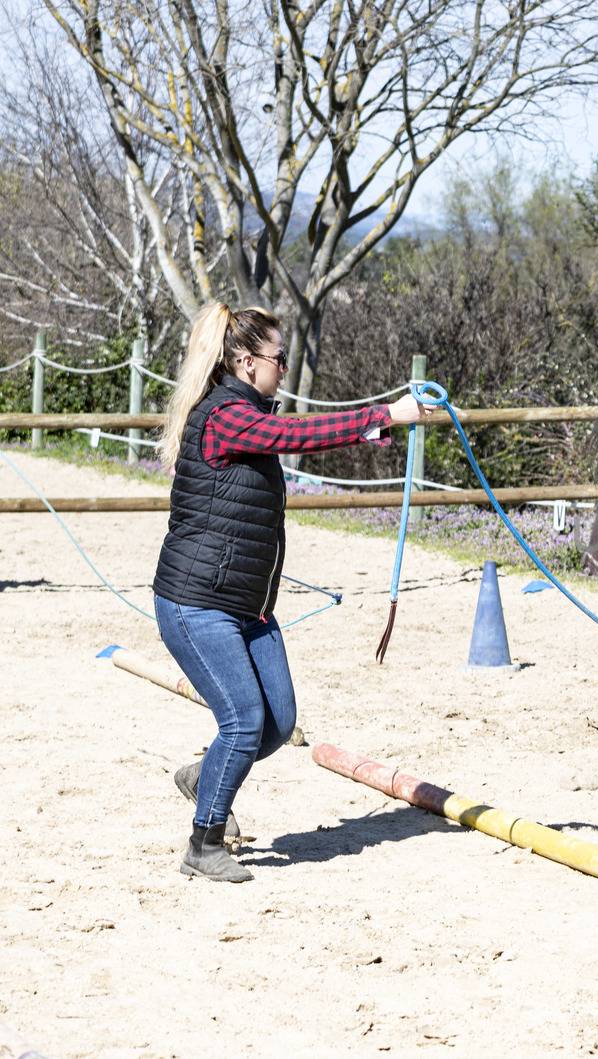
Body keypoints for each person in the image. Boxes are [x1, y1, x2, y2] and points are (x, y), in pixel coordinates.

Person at [152, 302, 433, 882]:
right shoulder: (224, 416)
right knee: (243, 720)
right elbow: (295, 433)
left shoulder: (247, 410)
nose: (285, 367)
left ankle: (203, 776)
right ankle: (204, 843)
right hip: (196, 601)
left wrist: (380, 425)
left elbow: (285, 433)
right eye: (280, 358)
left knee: (278, 724)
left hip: (246, 604)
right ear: (246, 362)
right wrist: (385, 415)